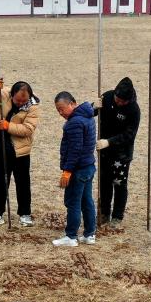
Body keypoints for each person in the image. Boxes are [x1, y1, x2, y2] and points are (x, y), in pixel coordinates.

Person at [0, 79, 41, 227]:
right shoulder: (3, 94)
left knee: (23, 182)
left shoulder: (33, 106)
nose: (20, 103)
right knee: (1, 181)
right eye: (17, 100)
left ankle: (25, 214)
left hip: (21, 149)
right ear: (12, 94)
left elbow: (28, 129)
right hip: (1, 145)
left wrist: (8, 126)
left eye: (23, 101)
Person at [93, 77, 141, 227]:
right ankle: (104, 213)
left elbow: (129, 135)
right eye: (117, 99)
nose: (119, 103)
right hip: (104, 152)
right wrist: (92, 106)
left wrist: (109, 142)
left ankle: (117, 216)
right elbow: (90, 113)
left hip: (121, 154)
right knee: (104, 182)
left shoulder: (134, 110)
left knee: (119, 184)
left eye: (122, 102)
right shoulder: (107, 97)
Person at [52, 92, 96, 247]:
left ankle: (71, 236)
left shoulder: (74, 123)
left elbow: (75, 150)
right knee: (87, 201)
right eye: (58, 110)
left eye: (62, 108)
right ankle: (89, 234)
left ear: (72, 103)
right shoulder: (88, 116)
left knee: (73, 202)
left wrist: (67, 171)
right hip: (88, 167)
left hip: (78, 170)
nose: (60, 113)